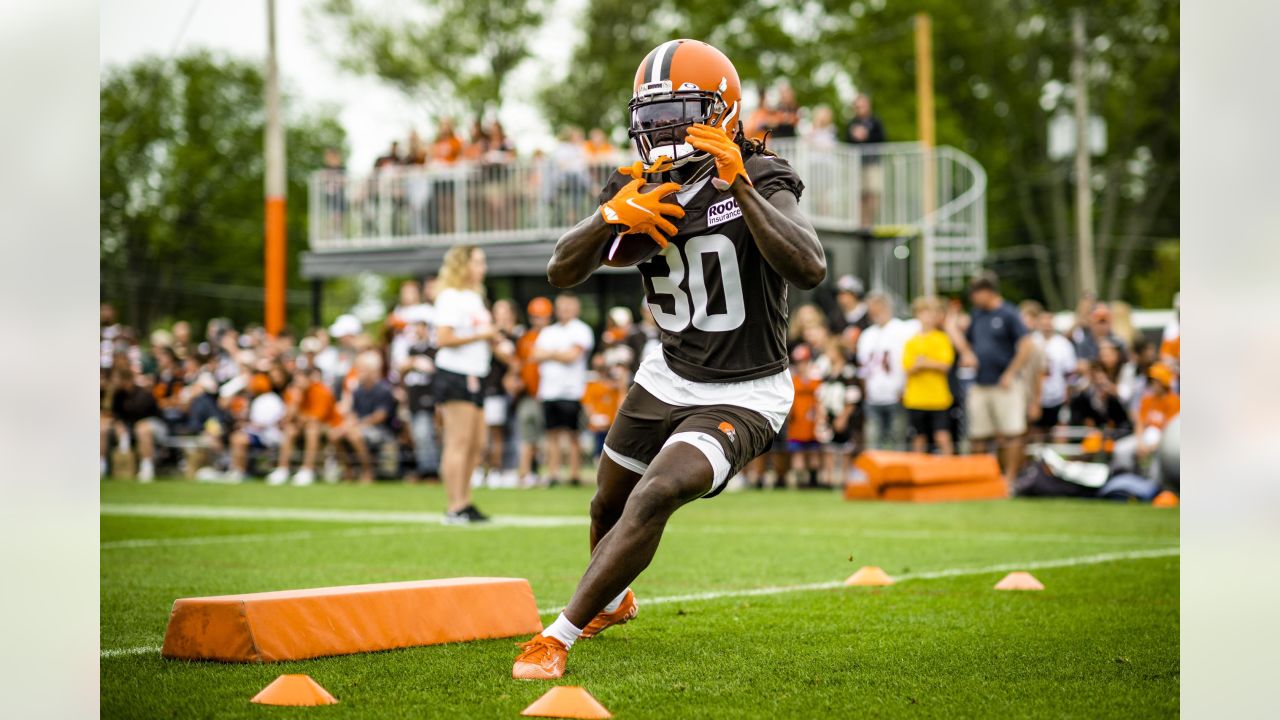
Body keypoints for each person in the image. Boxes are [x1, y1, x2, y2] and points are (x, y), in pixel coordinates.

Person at [512, 39, 823, 680]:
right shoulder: (634, 183)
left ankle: (559, 634)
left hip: (746, 388)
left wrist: (740, 186)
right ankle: (614, 600)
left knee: (656, 492)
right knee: (605, 504)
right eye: (651, 117)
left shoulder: (761, 173)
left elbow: (810, 266)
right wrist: (605, 218)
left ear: (722, 113)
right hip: (667, 375)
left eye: (678, 113)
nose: (661, 129)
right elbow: (560, 269)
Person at [952, 273, 1035, 488]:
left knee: (1011, 432)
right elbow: (967, 341)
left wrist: (1010, 372)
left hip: (1005, 384)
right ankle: (981, 481)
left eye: (976, 293)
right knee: (978, 435)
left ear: (988, 292)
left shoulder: (1009, 313)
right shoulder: (977, 315)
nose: (973, 298)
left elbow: (1026, 345)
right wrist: (966, 351)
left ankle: (1009, 480)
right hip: (980, 383)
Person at [432, 245, 494, 522]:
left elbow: (480, 334)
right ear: (463, 265)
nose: (483, 268)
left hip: (475, 373)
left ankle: (465, 501)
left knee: (477, 442)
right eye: (478, 262)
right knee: (458, 441)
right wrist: (483, 336)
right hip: (455, 372)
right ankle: (455, 506)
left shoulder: (474, 297)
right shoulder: (450, 297)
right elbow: (443, 338)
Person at [531, 293, 595, 487]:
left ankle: (574, 474)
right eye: (561, 306)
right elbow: (535, 355)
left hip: (571, 391)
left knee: (573, 434)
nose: (564, 310)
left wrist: (549, 354)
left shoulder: (581, 330)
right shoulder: (548, 331)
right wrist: (559, 353)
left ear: (576, 308)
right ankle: (553, 473)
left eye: (568, 306)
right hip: (549, 391)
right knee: (552, 434)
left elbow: (572, 356)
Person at [330, 352, 397, 484]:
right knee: (335, 435)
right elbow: (353, 413)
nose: (359, 373)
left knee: (355, 435)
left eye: (362, 370)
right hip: (360, 427)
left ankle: (368, 471)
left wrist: (359, 425)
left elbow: (380, 416)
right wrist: (349, 425)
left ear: (373, 372)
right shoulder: (357, 390)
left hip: (381, 430)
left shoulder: (383, 390)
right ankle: (348, 470)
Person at [856, 293, 912, 450]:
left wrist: (905, 387)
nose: (873, 312)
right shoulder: (866, 335)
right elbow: (863, 368)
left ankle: (897, 475)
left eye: (876, 307)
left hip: (897, 395)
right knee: (873, 443)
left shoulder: (903, 329)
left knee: (898, 442)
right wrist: (865, 390)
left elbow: (910, 361)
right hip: (873, 397)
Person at [270, 366, 340, 486]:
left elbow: (316, 419)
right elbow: (287, 419)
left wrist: (298, 414)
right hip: (303, 426)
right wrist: (295, 403)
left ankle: (307, 470)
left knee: (312, 429)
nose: (297, 383)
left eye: (300, 380)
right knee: (290, 430)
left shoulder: (321, 391)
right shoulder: (293, 393)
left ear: (308, 379)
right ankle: (282, 469)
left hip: (328, 427)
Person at [902, 296, 955, 454]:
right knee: (919, 438)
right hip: (916, 399)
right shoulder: (911, 342)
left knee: (942, 436)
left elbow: (945, 365)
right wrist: (929, 363)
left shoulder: (942, 338)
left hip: (938, 398)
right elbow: (907, 367)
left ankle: (950, 471)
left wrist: (923, 363)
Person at [515, 297, 553, 487]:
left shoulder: (556, 335)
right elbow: (519, 364)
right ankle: (525, 474)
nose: (539, 321)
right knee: (528, 435)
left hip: (550, 394)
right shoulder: (526, 338)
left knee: (547, 437)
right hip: (530, 395)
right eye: (536, 317)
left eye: (543, 317)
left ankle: (546, 474)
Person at [103, 365, 163, 481]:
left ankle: (147, 468)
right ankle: (101, 466)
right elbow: (115, 415)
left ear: (125, 380)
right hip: (128, 428)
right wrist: (118, 425)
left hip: (153, 425)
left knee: (142, 428)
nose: (113, 381)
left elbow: (142, 416)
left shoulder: (143, 394)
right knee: (102, 428)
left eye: (116, 378)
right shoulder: (118, 395)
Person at [227, 373, 286, 483]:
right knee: (236, 436)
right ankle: (236, 470)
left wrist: (249, 426)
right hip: (259, 434)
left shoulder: (271, 399)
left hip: (268, 436)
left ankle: (240, 471)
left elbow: (265, 423)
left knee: (238, 439)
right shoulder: (259, 399)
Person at [841, 93, 886, 226]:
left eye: (862, 106)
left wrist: (866, 136)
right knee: (860, 194)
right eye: (857, 106)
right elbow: (848, 142)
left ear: (868, 106)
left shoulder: (876, 122)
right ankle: (861, 224)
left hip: (872, 163)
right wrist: (855, 136)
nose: (860, 109)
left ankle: (870, 224)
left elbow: (882, 140)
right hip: (857, 165)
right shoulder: (852, 123)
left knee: (872, 193)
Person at [1030, 305, 1078, 430]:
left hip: (1057, 396)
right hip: (1034, 397)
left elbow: (1070, 372)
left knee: (1058, 430)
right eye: (1043, 322)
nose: (1046, 326)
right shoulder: (1031, 342)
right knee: (1035, 431)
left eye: (1048, 322)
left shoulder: (1063, 344)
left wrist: (1068, 394)